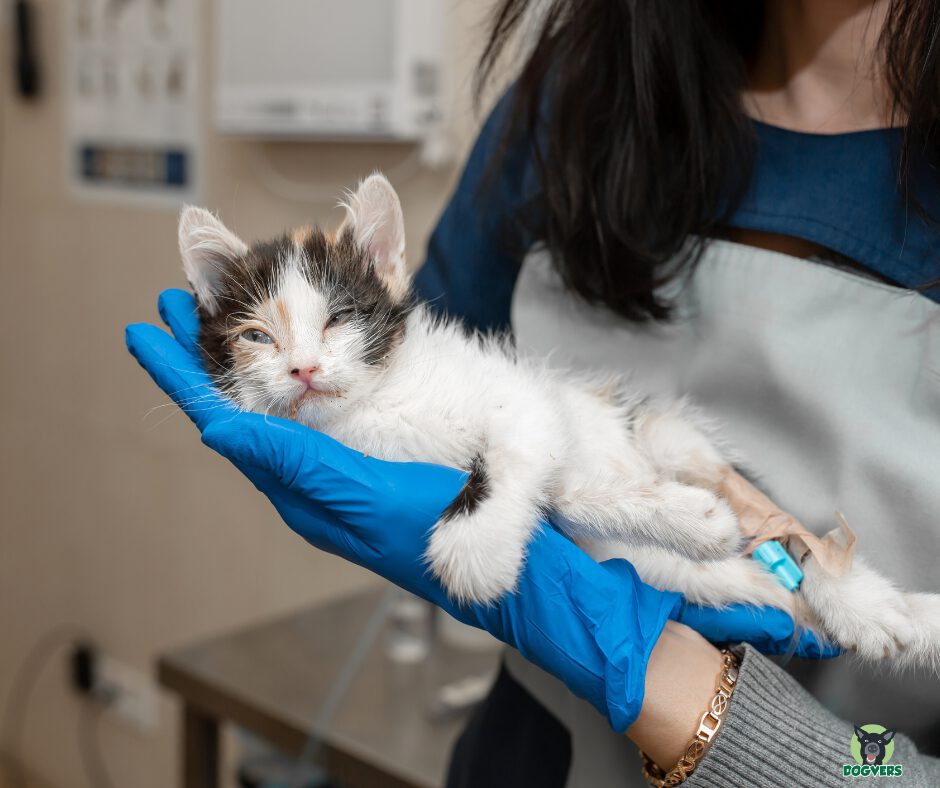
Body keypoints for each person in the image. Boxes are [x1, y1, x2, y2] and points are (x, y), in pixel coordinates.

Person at [127, 0, 940, 785]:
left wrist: (691, 698)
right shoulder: (581, 94)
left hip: (853, 733)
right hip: (538, 752)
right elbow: (430, 378)